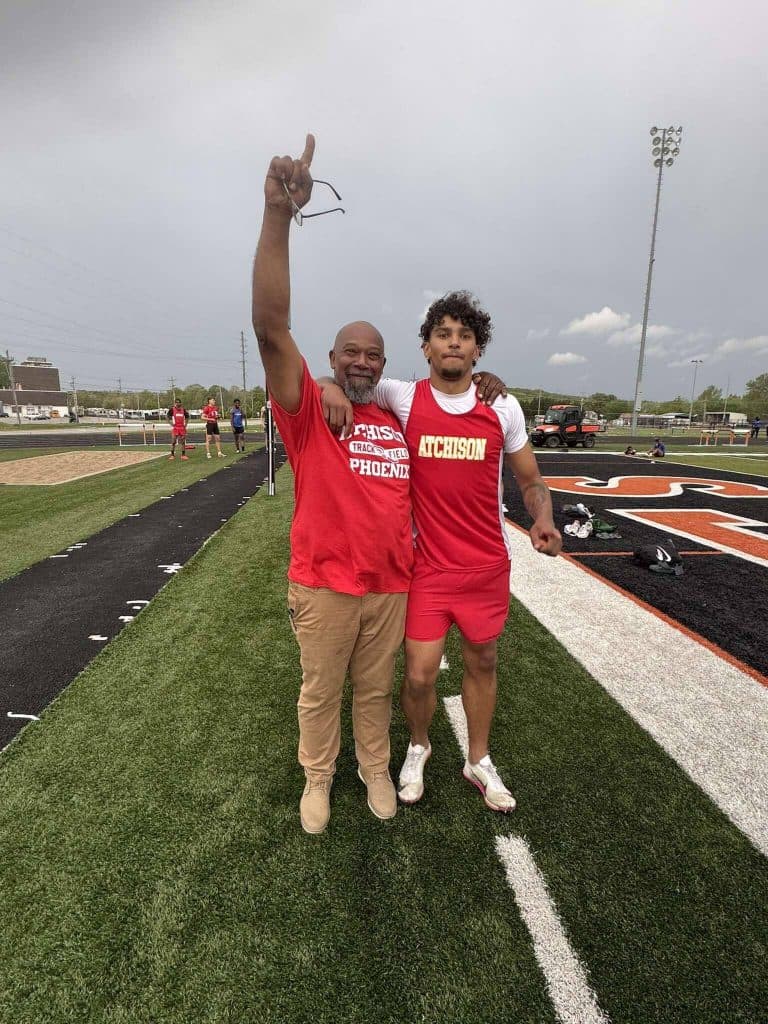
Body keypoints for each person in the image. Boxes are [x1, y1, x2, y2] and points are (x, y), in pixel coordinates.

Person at [322, 291, 562, 814]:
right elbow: (348, 376)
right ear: (426, 347)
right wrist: (323, 383)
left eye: (465, 336)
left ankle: (478, 758)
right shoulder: (404, 396)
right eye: (443, 335)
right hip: (427, 568)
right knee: (419, 673)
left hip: (485, 569)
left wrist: (542, 518)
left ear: (478, 350)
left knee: (483, 660)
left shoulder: (502, 405)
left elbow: (532, 481)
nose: (454, 343)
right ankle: (419, 746)